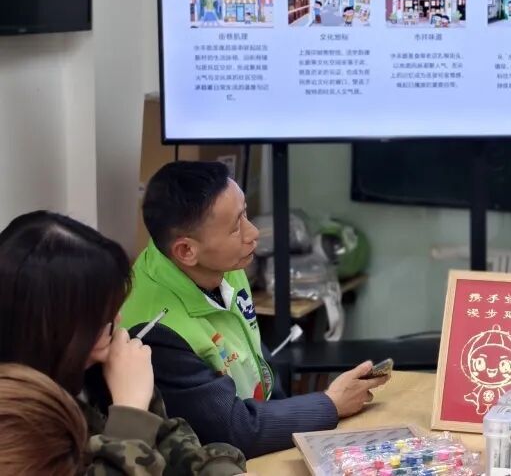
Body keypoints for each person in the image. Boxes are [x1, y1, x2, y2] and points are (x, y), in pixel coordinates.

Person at [123, 161, 389, 457]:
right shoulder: (155, 330)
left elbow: (257, 362)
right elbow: (232, 429)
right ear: (186, 250)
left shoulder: (221, 263)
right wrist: (330, 403)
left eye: (245, 214)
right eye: (236, 227)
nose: (253, 233)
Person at [0, 211, 246, 474]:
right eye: (100, 317)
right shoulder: (15, 420)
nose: (116, 320)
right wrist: (130, 410)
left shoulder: (97, 365)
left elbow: (172, 446)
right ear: (55, 329)